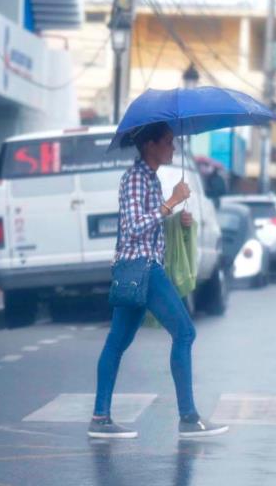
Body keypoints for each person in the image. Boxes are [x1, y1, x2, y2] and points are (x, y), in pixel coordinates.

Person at [88, 122, 229, 440]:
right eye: (168, 141)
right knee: (185, 332)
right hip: (143, 268)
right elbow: (134, 225)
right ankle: (189, 417)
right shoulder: (137, 178)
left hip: (137, 267)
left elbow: (149, 222)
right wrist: (171, 203)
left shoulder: (149, 178)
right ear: (150, 144)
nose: (173, 147)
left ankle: (100, 417)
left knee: (117, 342)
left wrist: (178, 218)